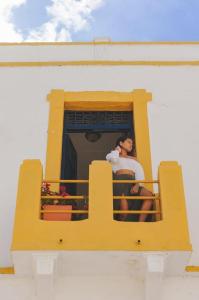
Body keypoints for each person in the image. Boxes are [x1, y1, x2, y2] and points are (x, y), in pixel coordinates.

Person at [106, 135, 153, 222]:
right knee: (124, 211)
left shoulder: (134, 159)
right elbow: (113, 159)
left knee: (149, 195)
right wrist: (117, 151)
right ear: (121, 143)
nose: (131, 145)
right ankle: (122, 230)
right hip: (120, 183)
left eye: (132, 143)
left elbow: (139, 172)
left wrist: (137, 184)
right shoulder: (113, 155)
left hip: (132, 183)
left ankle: (140, 223)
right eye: (129, 142)